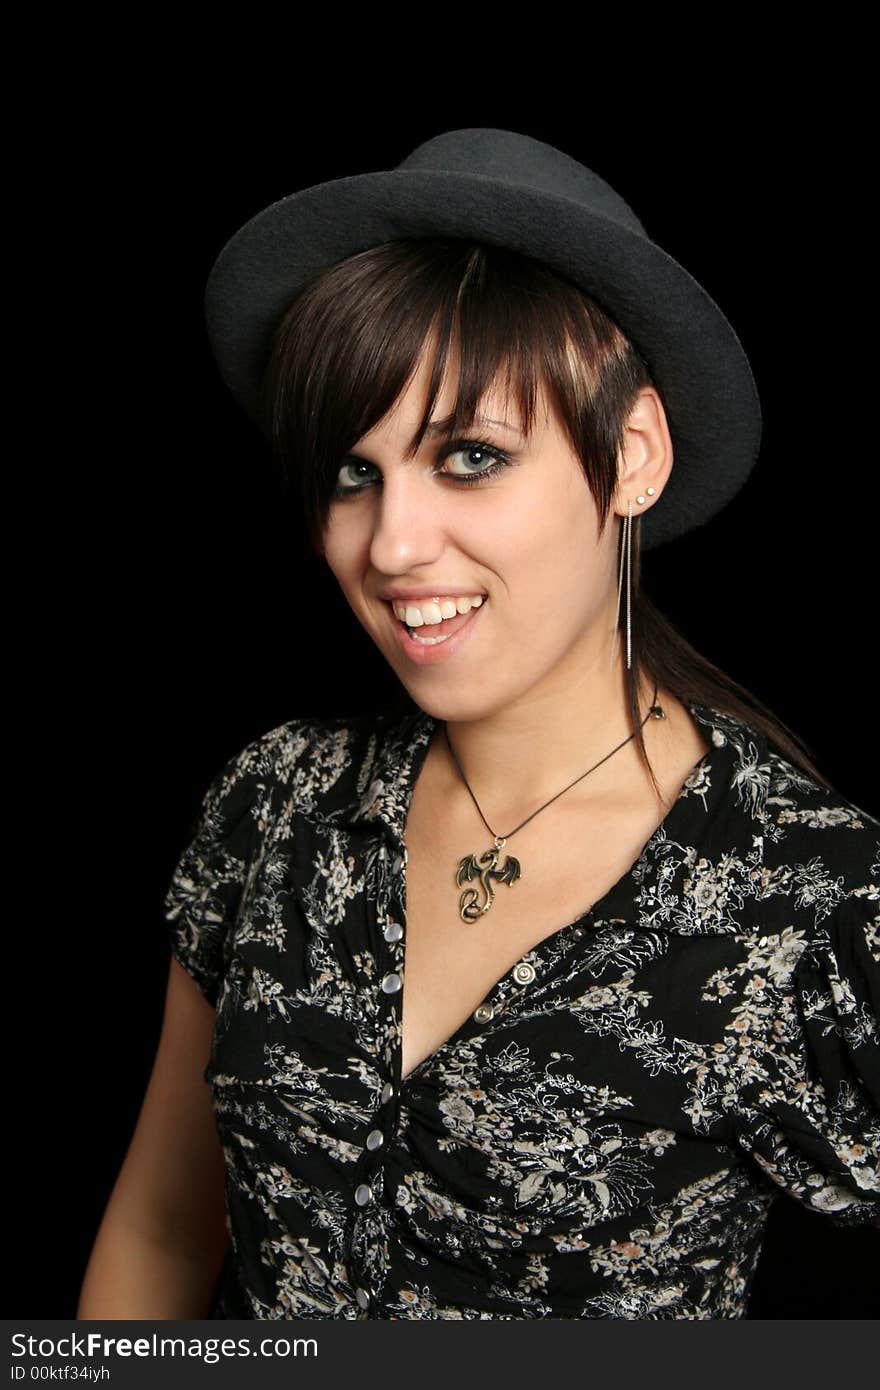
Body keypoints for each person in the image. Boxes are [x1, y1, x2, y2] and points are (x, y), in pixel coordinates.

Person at [78, 128, 879, 1321]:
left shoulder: (811, 896)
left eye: (468, 456)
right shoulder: (276, 801)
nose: (391, 546)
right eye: (354, 473)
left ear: (633, 456)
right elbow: (158, 1228)